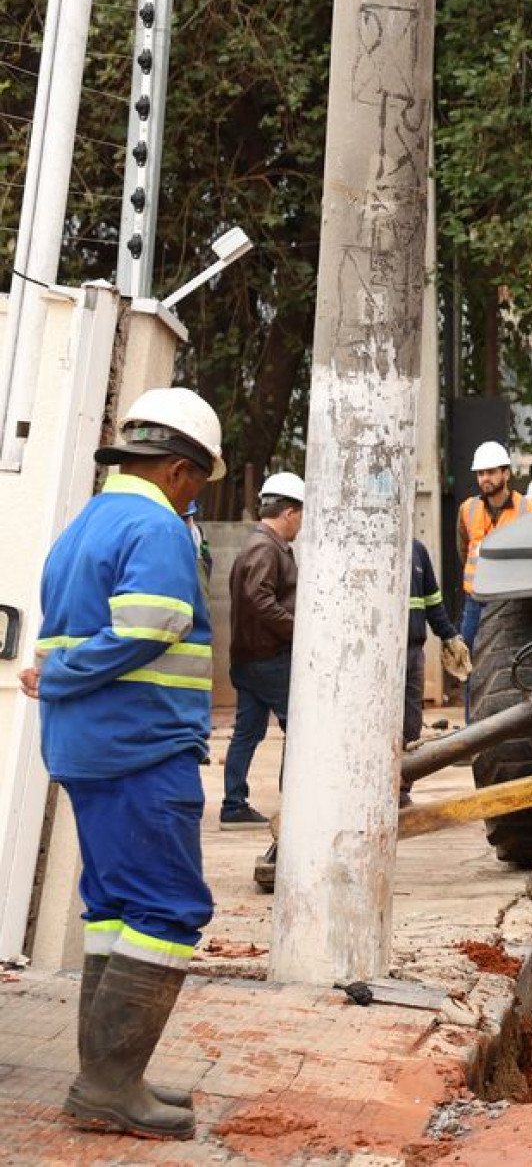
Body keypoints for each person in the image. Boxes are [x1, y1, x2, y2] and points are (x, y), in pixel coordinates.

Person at [21, 387, 224, 1139]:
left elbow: (53, 649)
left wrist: (61, 679)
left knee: (112, 907)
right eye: (199, 482)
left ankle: (110, 1077)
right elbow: (155, 624)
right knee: (169, 908)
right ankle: (108, 1084)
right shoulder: (156, 524)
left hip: (85, 746)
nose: (197, 495)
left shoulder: (80, 528)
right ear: (178, 469)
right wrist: (70, 677)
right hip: (141, 746)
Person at [219, 471, 304, 829]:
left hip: (250, 659)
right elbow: (259, 599)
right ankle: (298, 802)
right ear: (289, 513)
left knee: (248, 732)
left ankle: (233, 804)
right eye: (301, 516)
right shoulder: (266, 548)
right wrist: (298, 629)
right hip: (269, 660)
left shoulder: (258, 546)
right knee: (301, 725)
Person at [404, 539, 471, 805]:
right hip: (378, 655)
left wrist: (450, 636)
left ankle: (400, 790)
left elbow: (433, 601)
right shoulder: (366, 543)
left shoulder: (418, 550)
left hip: (412, 652)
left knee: (409, 726)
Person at [456, 440, 527, 651]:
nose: (484, 478)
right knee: (469, 655)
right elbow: (463, 549)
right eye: (480, 473)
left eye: (491, 472)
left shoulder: (527, 508)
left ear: (506, 474)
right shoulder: (467, 509)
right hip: (475, 599)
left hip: (511, 599)